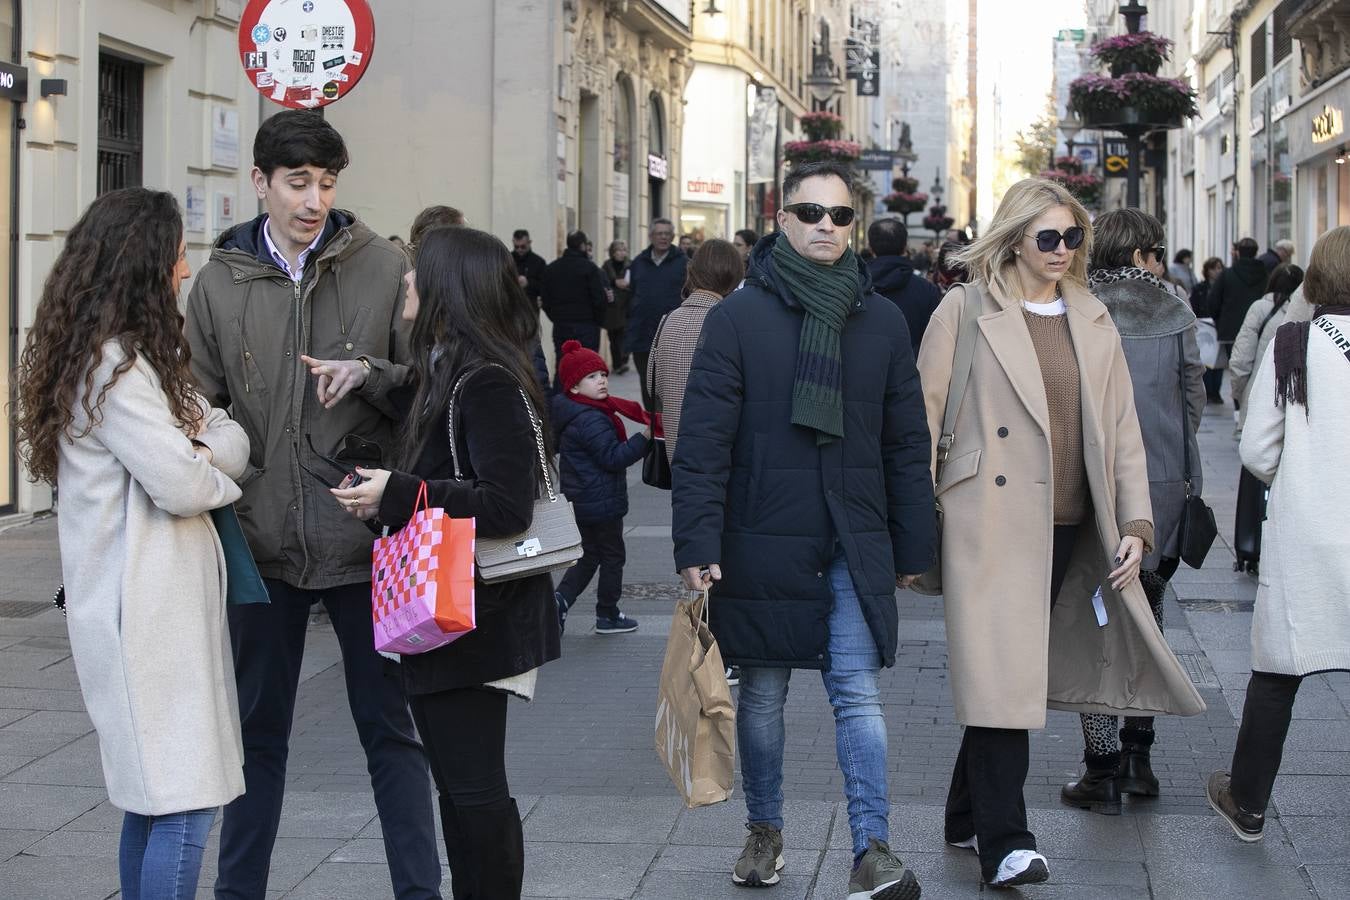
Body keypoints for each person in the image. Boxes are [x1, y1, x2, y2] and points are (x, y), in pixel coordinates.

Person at [916, 178, 1204, 888]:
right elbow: (922, 422)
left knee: (1005, 676)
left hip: (1077, 524)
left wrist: (1135, 520)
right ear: (1015, 237)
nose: (1062, 250)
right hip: (990, 521)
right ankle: (1006, 842)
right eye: (1048, 237)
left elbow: (1122, 433)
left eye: (1073, 236)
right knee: (1004, 672)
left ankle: (964, 812)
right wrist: (914, 526)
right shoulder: (964, 309)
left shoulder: (1092, 314)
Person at [184, 109, 441, 900]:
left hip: (367, 538)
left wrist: (372, 372)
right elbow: (195, 403)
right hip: (261, 544)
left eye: (326, 184)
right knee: (256, 737)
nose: (314, 201)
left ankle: (419, 893)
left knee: (392, 734)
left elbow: (428, 392)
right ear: (258, 182)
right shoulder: (219, 282)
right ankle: (239, 892)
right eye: (297, 183)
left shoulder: (382, 264)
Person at [673, 160, 935, 899]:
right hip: (759, 540)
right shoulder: (737, 319)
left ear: (855, 226)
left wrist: (913, 545)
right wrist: (697, 543)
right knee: (760, 695)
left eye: (840, 216)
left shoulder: (880, 320)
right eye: (811, 214)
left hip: (852, 539)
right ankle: (764, 832)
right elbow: (703, 445)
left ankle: (872, 848)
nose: (826, 227)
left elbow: (905, 442)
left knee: (857, 692)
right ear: (781, 220)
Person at [15, 188, 251, 900]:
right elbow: (182, 483)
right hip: (143, 617)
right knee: (183, 802)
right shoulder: (115, 369)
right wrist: (202, 456)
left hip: (153, 611)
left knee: (157, 801)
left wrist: (198, 451)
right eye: (178, 252)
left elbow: (228, 436)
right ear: (145, 263)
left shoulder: (134, 361)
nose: (186, 268)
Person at [330, 225, 561, 898]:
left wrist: (400, 493)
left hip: (476, 615)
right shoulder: (447, 371)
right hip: (446, 613)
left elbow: (508, 505)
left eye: (415, 272)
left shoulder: (485, 381)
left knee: (475, 787)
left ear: (445, 289)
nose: (405, 282)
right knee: (460, 788)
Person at [1060, 208, 1206, 814]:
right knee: (1149, 613)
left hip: (1097, 488)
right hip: (1163, 488)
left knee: (1094, 617)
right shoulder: (1175, 311)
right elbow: (1193, 394)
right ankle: (1140, 756)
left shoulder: (1081, 308)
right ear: (1146, 249)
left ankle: (1100, 765)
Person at [1208, 226, 1350, 843]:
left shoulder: (1296, 343)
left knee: (1279, 670)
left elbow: (1258, 450)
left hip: (1309, 533)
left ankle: (1247, 800)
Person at [551, 340, 653, 635]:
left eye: (603, 375)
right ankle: (607, 613)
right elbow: (613, 457)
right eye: (592, 377)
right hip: (601, 504)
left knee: (589, 555)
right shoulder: (591, 419)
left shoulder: (578, 412)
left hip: (584, 500)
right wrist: (644, 438)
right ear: (573, 386)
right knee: (612, 557)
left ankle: (560, 600)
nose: (602, 381)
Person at [1227, 263, 1305, 577]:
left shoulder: (1261, 308)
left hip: (1259, 400)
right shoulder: (1306, 317)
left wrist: (1238, 394)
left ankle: (1252, 544)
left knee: (1255, 477)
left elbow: (1241, 357)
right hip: (1294, 407)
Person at [647, 238, 743, 465]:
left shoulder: (667, 321)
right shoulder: (734, 322)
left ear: (693, 271)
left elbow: (653, 386)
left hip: (676, 452)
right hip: (723, 452)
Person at [627, 218, 689, 409]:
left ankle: (668, 432)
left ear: (672, 236)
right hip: (643, 336)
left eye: (667, 233)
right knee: (648, 387)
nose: (663, 237)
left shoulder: (684, 263)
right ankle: (653, 431)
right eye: (659, 233)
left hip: (673, 336)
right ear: (650, 236)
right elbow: (632, 296)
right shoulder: (638, 262)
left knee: (671, 388)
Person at [867, 217, 943, 354]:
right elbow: (933, 341)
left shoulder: (854, 286)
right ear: (905, 247)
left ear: (870, 248)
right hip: (912, 368)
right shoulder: (926, 289)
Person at [1211, 237, 1271, 409]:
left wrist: (1219, 320)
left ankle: (1239, 406)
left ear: (1238, 252)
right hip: (1260, 327)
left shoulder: (1227, 274)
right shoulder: (1265, 274)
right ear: (1256, 252)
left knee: (1237, 368)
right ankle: (1252, 403)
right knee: (1257, 368)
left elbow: (1213, 300)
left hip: (1231, 330)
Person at [540, 230, 607, 378]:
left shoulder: (552, 268)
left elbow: (545, 299)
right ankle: (582, 400)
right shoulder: (590, 268)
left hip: (561, 324)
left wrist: (556, 317)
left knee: (563, 365)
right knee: (588, 368)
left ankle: (559, 399)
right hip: (587, 325)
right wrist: (597, 321)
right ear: (583, 246)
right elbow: (599, 299)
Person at [601, 240, 634, 374]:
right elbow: (602, 281)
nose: (621, 253)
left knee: (624, 334)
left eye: (623, 250)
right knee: (614, 337)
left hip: (627, 304)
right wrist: (614, 282)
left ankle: (623, 359)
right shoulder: (607, 266)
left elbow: (637, 283)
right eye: (618, 250)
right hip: (612, 306)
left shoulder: (631, 265)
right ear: (612, 252)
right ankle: (617, 364)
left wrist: (627, 285)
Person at [512, 228, 548, 307]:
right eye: (516, 247)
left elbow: (545, 287)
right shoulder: (508, 259)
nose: (519, 249)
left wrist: (528, 283)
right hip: (511, 306)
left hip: (530, 306)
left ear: (529, 243)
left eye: (523, 246)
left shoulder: (539, 262)